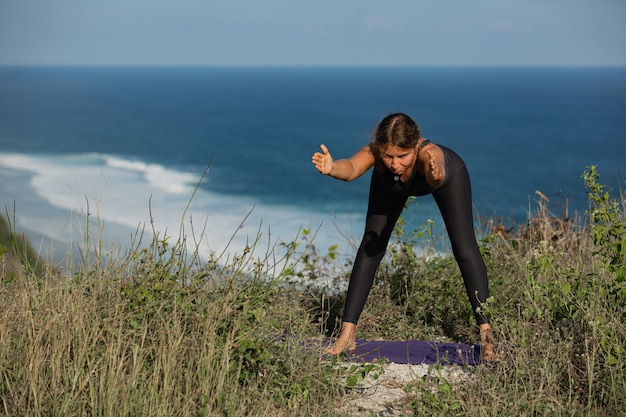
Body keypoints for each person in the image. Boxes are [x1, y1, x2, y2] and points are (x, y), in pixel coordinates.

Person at [311, 112, 497, 361]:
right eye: (388, 156)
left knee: (464, 250)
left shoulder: (427, 153)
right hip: (390, 187)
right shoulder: (377, 155)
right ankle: (347, 334)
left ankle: (488, 338)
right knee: (370, 247)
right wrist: (332, 168)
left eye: (402, 156)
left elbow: (436, 173)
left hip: (447, 179)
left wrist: (434, 171)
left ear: (415, 145)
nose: (395, 163)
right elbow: (352, 168)